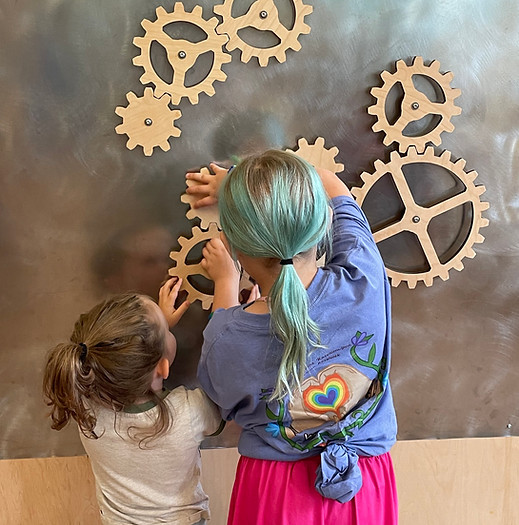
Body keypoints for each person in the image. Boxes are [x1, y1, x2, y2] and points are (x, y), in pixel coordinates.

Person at [185, 150, 398, 524]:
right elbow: (330, 182)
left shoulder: (226, 337)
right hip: (364, 483)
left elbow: (222, 400)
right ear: (322, 226)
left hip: (275, 490)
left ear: (234, 247)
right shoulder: (364, 277)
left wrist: (225, 282)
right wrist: (240, 180)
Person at [43, 277, 223, 525]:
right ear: (162, 367)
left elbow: (128, 366)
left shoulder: (85, 406)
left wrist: (155, 335)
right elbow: (226, 388)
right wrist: (225, 290)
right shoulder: (190, 411)